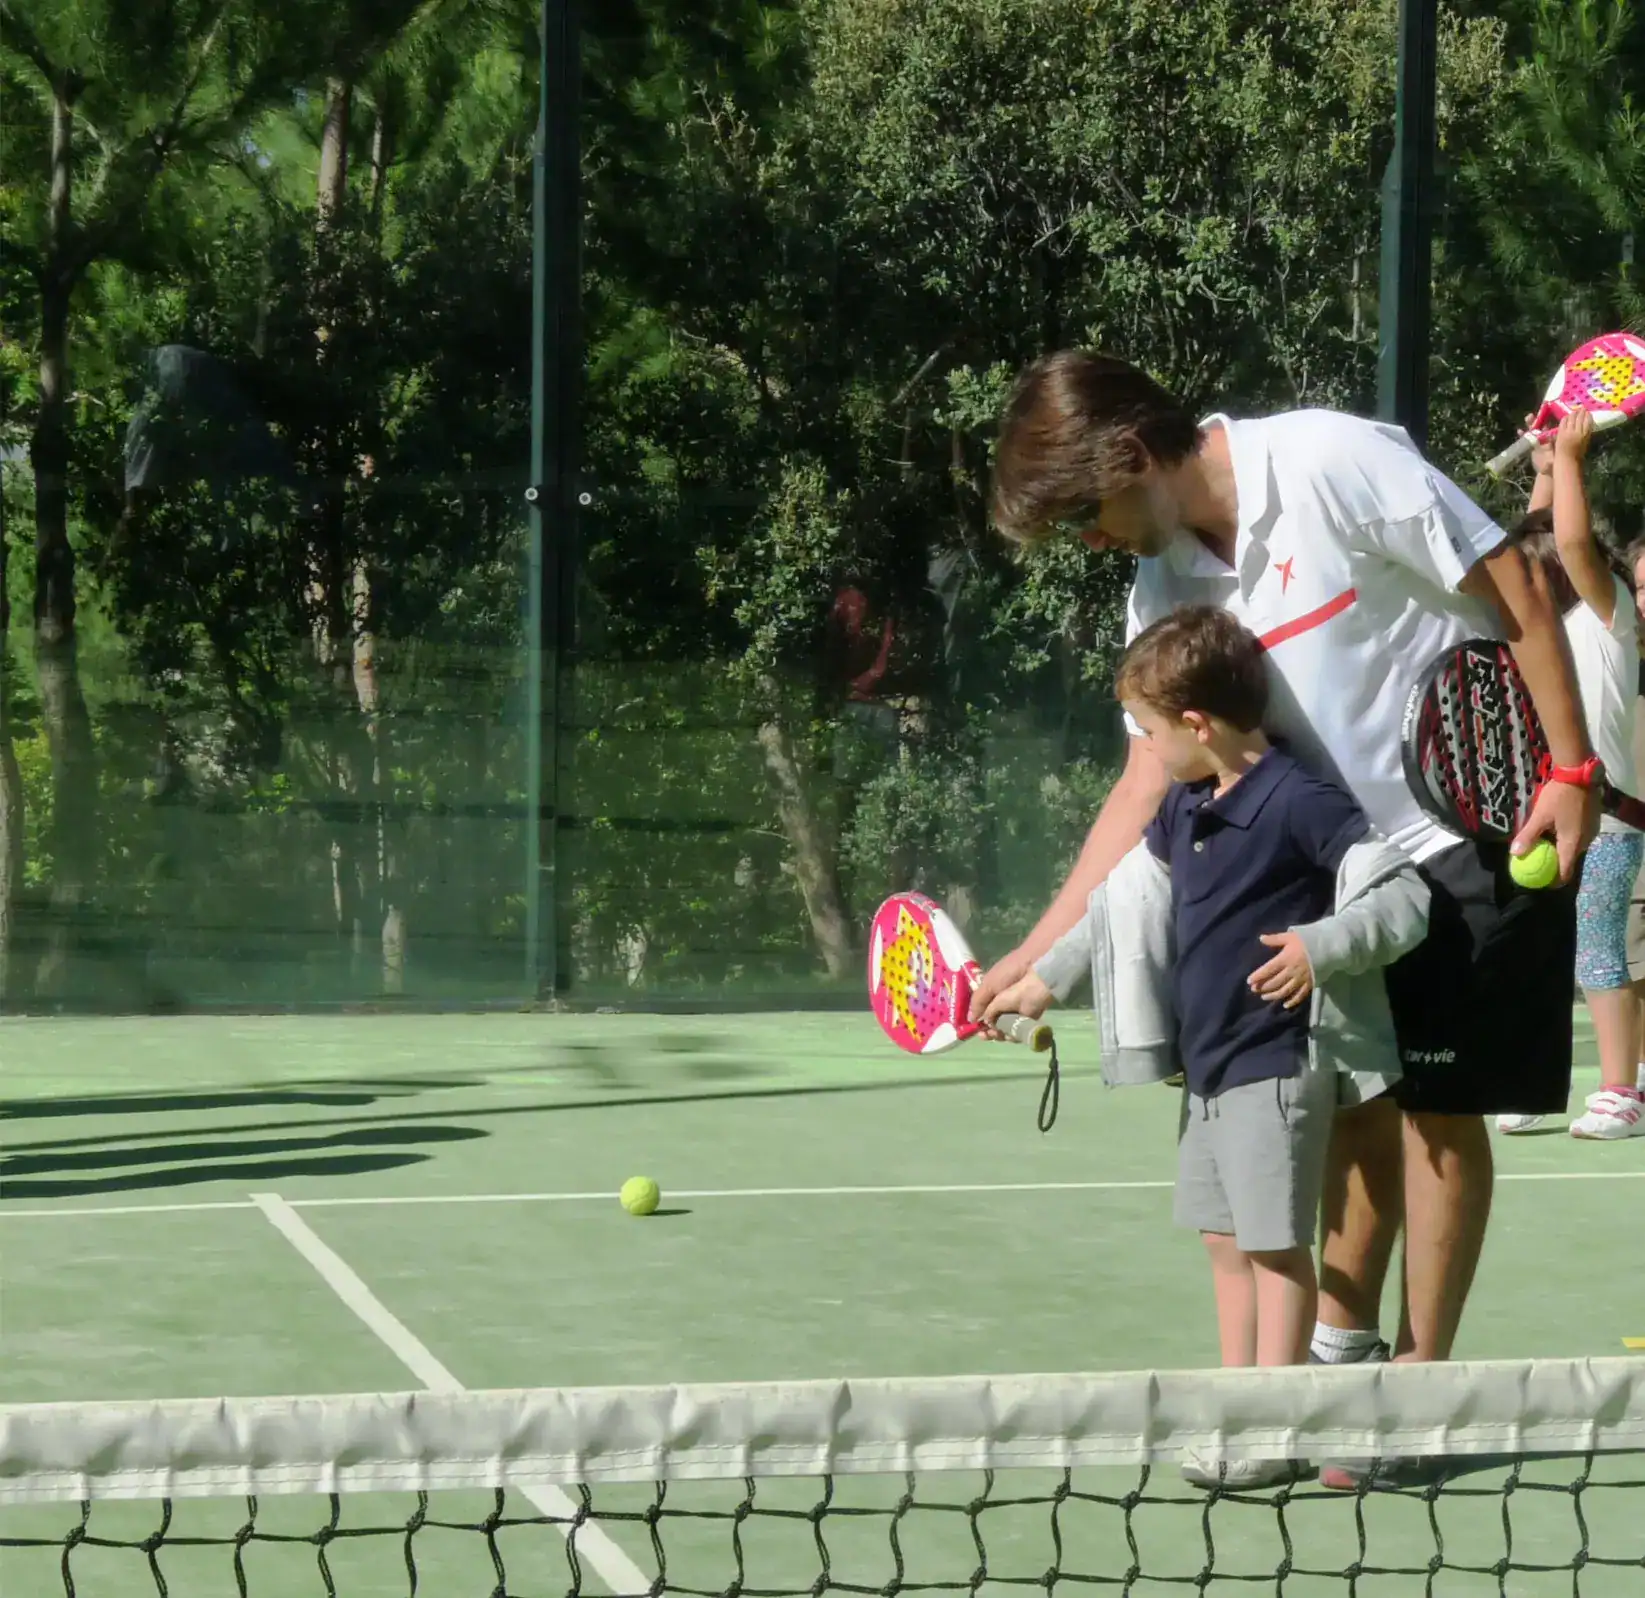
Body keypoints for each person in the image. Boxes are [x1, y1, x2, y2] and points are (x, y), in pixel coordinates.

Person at [972, 353, 1598, 1484]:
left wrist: (1571, 762)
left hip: (1465, 833)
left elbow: (1510, 582)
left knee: (1440, 1117)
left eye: (1086, 517)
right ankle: (1338, 1367)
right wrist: (1029, 954)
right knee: (1354, 1112)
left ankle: (1419, 1380)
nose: (1092, 542)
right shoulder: (1163, 582)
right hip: (1329, 878)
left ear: (1128, 456)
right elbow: (1143, 784)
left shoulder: (1325, 456)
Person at [994, 607, 1429, 1488]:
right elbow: (1118, 905)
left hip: (1277, 1065)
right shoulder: (1186, 806)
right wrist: (1039, 981)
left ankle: (1275, 1426)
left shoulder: (1299, 800)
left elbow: (1402, 899)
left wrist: (1321, 946)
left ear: (1196, 725)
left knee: (1275, 1252)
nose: (1145, 754)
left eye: (1149, 735)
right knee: (1225, 1246)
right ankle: (1240, 1407)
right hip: (1208, 1073)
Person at [1492, 410, 1644, 1139]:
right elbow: (1534, 549)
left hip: (1610, 821)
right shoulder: (1539, 631)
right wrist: (1546, 468)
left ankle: (1620, 1091)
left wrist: (1575, 462)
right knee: (1537, 955)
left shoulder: (1605, 618)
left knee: (1598, 950)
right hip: (1543, 816)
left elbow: (1570, 541)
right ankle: (1534, 1076)